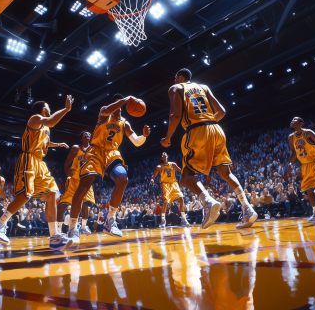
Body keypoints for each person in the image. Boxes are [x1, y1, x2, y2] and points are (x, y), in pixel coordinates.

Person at [161, 68, 257, 229]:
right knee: (226, 173)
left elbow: (175, 116)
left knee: (186, 176)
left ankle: (207, 201)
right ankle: (247, 208)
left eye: (175, 77)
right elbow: (222, 111)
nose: (174, 80)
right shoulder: (204, 87)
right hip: (216, 129)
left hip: (197, 131)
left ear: (181, 77)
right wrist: (208, 122)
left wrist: (168, 137)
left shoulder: (175, 88)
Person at [65, 94, 151, 248]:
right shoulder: (105, 111)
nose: (120, 105)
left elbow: (136, 141)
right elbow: (107, 110)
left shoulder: (125, 123)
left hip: (112, 153)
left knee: (123, 179)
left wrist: (143, 136)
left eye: (122, 102)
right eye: (118, 102)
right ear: (116, 103)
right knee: (83, 188)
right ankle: (72, 228)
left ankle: (110, 221)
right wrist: (124, 100)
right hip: (95, 152)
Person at [0, 97, 73, 251]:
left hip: (41, 162)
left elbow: (45, 142)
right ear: (43, 108)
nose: (49, 109)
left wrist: (57, 144)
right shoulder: (36, 118)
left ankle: (54, 236)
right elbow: (52, 121)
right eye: (48, 107)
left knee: (52, 195)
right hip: (29, 159)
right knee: (26, 194)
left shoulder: (46, 128)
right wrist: (66, 109)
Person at [288, 117, 315, 222]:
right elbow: (294, 153)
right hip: (305, 165)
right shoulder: (291, 137)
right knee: (309, 189)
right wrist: (290, 163)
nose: (292, 120)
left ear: (300, 123)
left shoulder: (308, 133)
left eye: (295, 119)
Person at [57, 131, 95, 236]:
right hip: (74, 180)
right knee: (63, 205)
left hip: (86, 180)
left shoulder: (94, 150)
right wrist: (67, 171)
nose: (87, 134)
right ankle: (58, 230)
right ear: (81, 138)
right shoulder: (75, 148)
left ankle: (83, 227)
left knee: (86, 204)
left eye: (89, 133)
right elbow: (67, 163)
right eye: (85, 134)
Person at [151, 152, 189, 228]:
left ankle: (183, 218)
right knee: (165, 201)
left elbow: (180, 170)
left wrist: (185, 173)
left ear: (167, 156)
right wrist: (152, 179)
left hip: (174, 183)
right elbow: (153, 175)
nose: (164, 155)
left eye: (165, 154)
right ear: (162, 158)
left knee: (181, 199)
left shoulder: (173, 164)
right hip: (165, 184)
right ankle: (163, 220)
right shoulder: (159, 166)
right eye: (162, 155)